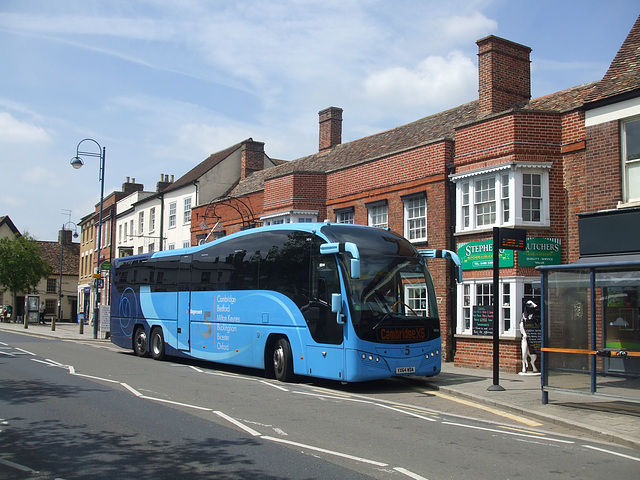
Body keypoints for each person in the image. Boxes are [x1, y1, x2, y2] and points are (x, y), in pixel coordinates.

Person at [520, 300, 538, 373]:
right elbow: (521, 326)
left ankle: (532, 364)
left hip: (533, 338)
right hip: (525, 339)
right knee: (524, 353)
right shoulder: (523, 319)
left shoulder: (533, 318)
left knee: (533, 355)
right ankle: (524, 365)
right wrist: (524, 334)